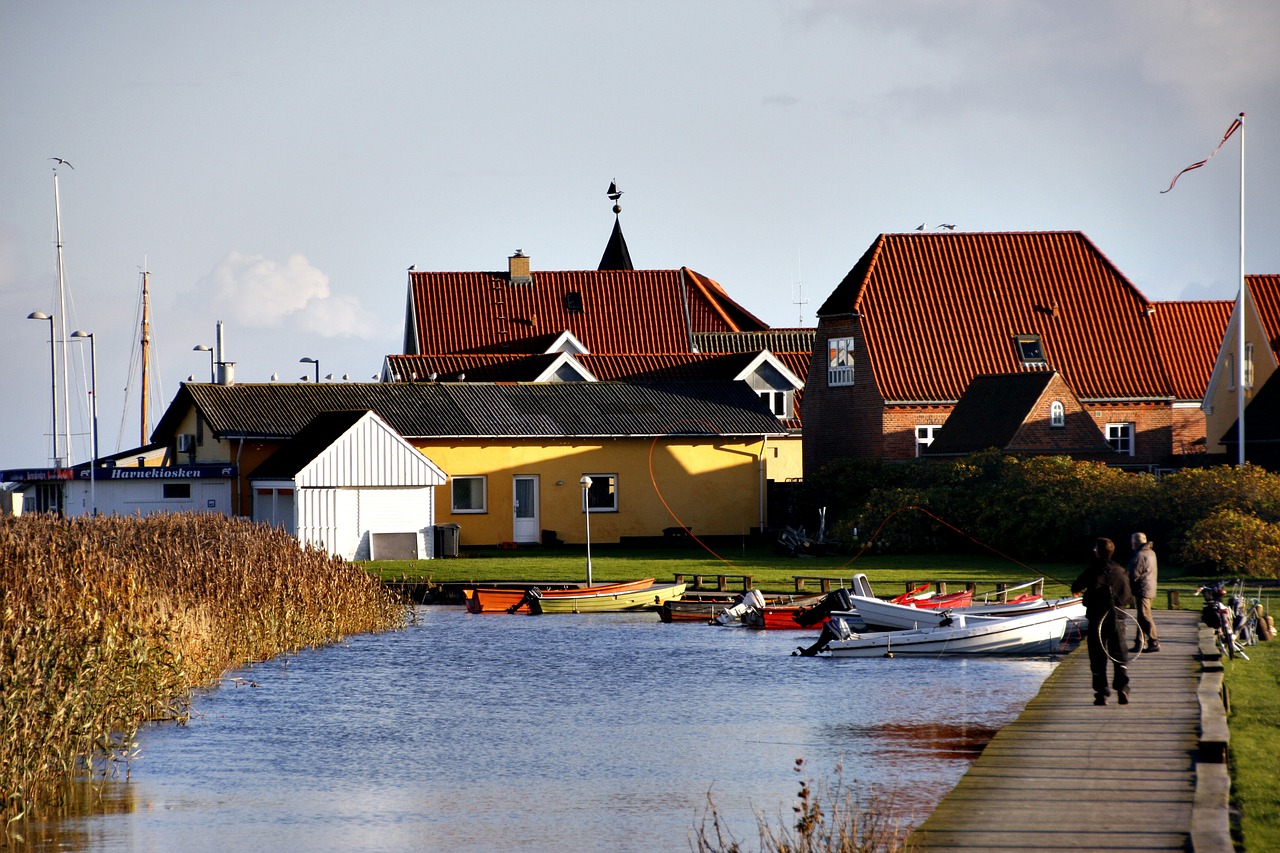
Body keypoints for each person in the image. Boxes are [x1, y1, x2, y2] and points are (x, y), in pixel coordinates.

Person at [1072, 538, 1133, 705]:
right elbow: (1127, 596)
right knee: (1119, 653)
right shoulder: (1120, 571)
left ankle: (1101, 693)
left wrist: (1081, 591)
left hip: (1097, 619)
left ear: (1097, 552)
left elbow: (1075, 586)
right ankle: (1122, 688)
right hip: (1118, 619)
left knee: (1097, 657)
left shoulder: (1093, 570)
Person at [1128, 532, 1160, 652]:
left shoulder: (1140, 555)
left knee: (1145, 616)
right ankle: (1140, 643)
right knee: (1142, 616)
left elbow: (1134, 574)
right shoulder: (1151, 552)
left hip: (1143, 589)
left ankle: (1154, 641)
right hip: (1150, 588)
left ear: (1135, 542)